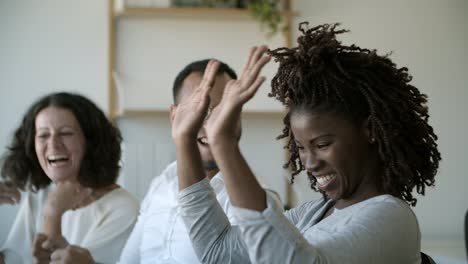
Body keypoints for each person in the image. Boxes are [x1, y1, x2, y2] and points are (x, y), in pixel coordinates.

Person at [172, 23, 441, 263]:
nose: (309, 163)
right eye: (301, 147)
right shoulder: (314, 212)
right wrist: (184, 140)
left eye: (322, 144)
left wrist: (225, 145)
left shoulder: (392, 218)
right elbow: (218, 252)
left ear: (370, 131)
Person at [118, 59, 250, 263]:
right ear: (174, 116)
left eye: (225, 112)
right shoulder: (161, 183)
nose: (211, 125)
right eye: (198, 110)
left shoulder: (253, 202)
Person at [0, 92, 139, 264]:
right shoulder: (39, 194)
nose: (53, 144)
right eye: (43, 135)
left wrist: (53, 213)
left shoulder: (122, 208)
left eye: (65, 133)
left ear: (91, 142)